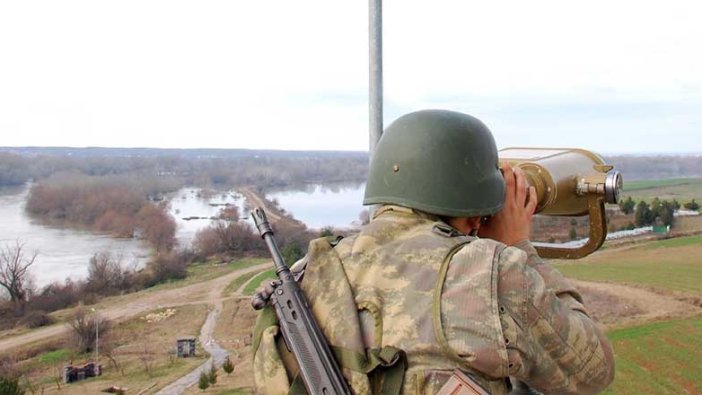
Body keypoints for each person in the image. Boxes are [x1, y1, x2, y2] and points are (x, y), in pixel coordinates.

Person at [252, 109, 615, 394]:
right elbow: (591, 371)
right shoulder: (488, 274)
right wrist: (518, 248)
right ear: (469, 203)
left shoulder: (303, 276)